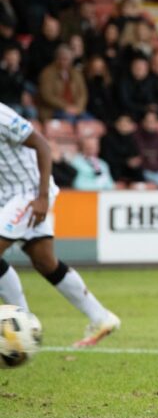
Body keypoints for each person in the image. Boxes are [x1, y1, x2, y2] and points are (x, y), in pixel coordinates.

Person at [0, 102, 120, 346]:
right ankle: (102, 317)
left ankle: (22, 326)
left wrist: (42, 196)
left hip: (29, 192)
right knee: (45, 261)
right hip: (6, 195)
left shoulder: (1, 115)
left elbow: (42, 145)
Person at [37, 44, 88, 122]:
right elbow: (47, 96)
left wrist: (78, 107)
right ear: (57, 59)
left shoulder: (76, 73)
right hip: (54, 110)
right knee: (71, 121)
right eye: (62, 59)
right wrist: (66, 106)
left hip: (75, 109)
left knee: (91, 122)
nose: (64, 62)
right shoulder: (47, 73)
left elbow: (83, 94)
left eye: (67, 59)